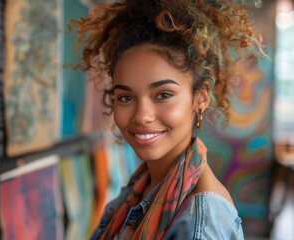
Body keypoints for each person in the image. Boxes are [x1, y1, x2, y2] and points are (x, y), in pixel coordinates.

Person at [69, 0, 264, 239]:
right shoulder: (143, 184)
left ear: (200, 97)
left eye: (163, 95)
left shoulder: (200, 223)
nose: (141, 115)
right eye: (126, 97)